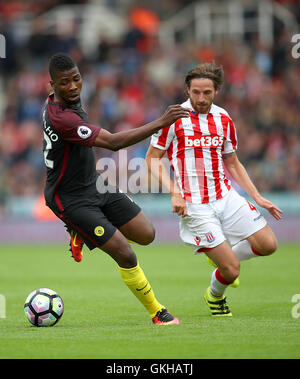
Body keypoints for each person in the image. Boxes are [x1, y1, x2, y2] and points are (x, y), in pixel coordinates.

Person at [42, 53, 189, 325]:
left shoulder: (65, 99)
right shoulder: (62, 118)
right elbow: (112, 143)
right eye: (65, 83)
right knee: (125, 253)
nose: (73, 87)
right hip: (70, 199)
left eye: (76, 79)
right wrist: (160, 121)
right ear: (53, 85)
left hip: (94, 185)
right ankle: (157, 312)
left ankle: (83, 233)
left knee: (146, 234)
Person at [146, 62, 282, 317]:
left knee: (268, 244)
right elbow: (152, 158)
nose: (200, 98)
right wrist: (174, 192)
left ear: (216, 91)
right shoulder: (174, 119)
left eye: (206, 92)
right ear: (187, 90)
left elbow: (232, 161)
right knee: (231, 271)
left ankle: (220, 255)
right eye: (195, 92)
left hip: (225, 196)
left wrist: (257, 196)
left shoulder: (223, 118)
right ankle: (215, 296)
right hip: (194, 204)